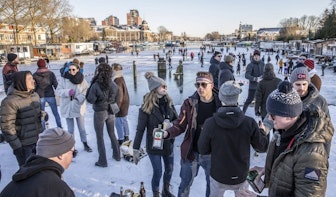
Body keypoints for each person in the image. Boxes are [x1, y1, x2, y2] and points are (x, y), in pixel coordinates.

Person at [246, 81, 332, 196]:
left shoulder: (312, 155)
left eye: (273, 115)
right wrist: (268, 172)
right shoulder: (283, 132)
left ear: (290, 115)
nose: (270, 119)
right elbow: (289, 170)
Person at [198, 81, 269, 197]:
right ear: (238, 98)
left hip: (218, 174)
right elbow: (262, 147)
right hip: (240, 175)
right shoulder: (249, 123)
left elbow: (202, 149)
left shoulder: (210, 123)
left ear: (221, 99)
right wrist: (262, 131)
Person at [163, 71, 222, 197]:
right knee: (184, 184)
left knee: (211, 187)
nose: (200, 88)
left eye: (203, 85)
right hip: (191, 152)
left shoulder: (221, 103)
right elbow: (180, 124)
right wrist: (167, 133)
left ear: (211, 85)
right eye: (197, 84)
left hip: (212, 154)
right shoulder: (189, 103)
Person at [132, 72, 178, 197]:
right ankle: (156, 194)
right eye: (162, 86)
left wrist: (171, 124)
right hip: (154, 145)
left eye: (165, 86)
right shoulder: (146, 108)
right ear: (154, 89)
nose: (165, 89)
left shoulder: (169, 103)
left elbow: (177, 120)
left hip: (168, 143)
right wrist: (135, 148)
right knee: (158, 172)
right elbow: (140, 129)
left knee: (169, 169)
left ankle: (166, 191)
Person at [0, 127, 76, 197]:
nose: (72, 156)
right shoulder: (60, 191)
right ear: (60, 154)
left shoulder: (20, 178)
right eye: (73, 152)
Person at [1, 71, 44, 166]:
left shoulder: (35, 95)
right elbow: (7, 127)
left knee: (41, 171)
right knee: (27, 174)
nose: (33, 81)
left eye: (32, 78)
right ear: (21, 82)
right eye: (29, 79)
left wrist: (43, 114)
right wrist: (17, 146)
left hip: (39, 140)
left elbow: (38, 113)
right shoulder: (10, 102)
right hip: (25, 145)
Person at [86, 63, 121, 167]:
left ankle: (102, 160)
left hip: (99, 112)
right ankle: (117, 155)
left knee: (100, 137)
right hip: (110, 111)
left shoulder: (96, 85)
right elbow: (117, 98)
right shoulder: (114, 84)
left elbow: (90, 99)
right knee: (112, 133)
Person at [56, 62, 92, 153]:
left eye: (73, 69)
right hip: (67, 106)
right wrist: (67, 92)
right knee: (70, 129)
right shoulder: (63, 79)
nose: (71, 71)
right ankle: (72, 147)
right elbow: (58, 91)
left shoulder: (82, 79)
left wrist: (78, 98)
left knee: (82, 127)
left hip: (78, 105)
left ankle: (85, 143)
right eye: (69, 69)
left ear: (78, 70)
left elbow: (86, 91)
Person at [33, 59, 62, 129]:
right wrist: (60, 93)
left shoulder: (34, 75)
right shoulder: (51, 73)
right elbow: (55, 84)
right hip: (50, 95)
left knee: (42, 114)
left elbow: (34, 87)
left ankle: (43, 130)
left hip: (40, 96)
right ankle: (60, 127)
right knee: (56, 113)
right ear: (45, 65)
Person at [111, 63, 130, 145]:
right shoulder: (121, 78)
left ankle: (121, 139)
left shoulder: (117, 80)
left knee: (118, 122)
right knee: (124, 121)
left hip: (121, 105)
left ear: (115, 70)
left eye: (112, 69)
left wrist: (116, 108)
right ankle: (126, 136)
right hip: (125, 103)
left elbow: (119, 96)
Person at [242, 49, 265, 114]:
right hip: (253, 87)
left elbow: (265, 73)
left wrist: (263, 77)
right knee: (249, 100)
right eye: (255, 55)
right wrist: (255, 79)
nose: (256, 57)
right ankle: (243, 113)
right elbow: (247, 75)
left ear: (260, 56)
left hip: (261, 86)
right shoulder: (250, 65)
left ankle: (259, 112)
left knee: (261, 101)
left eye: (257, 55)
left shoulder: (263, 64)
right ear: (253, 56)